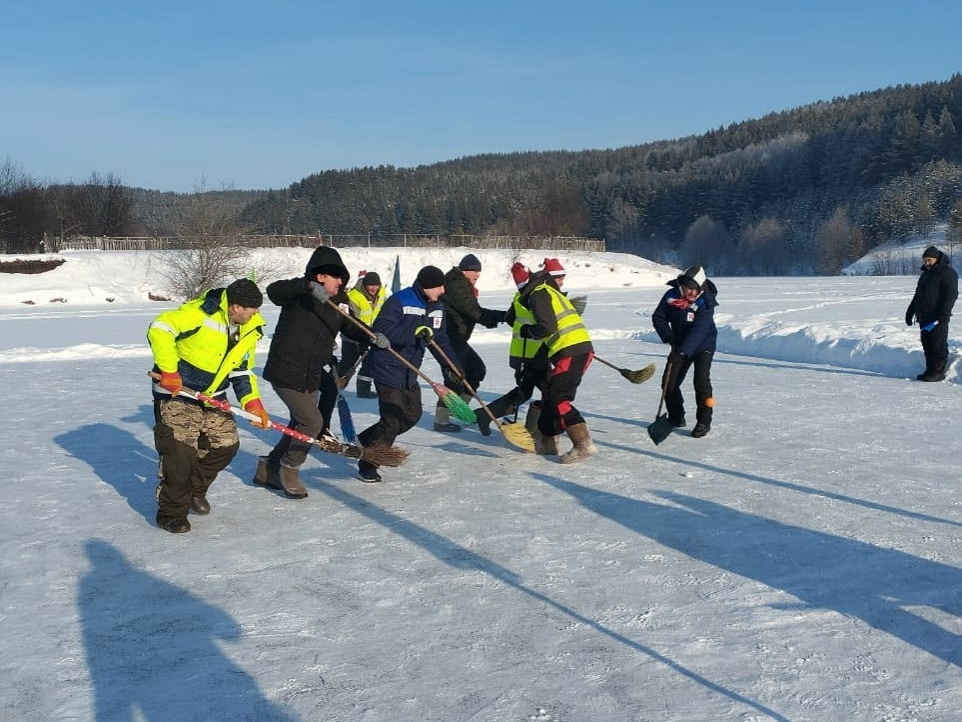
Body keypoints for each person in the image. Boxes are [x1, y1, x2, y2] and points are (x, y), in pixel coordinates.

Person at [257, 247, 385, 498]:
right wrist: (306, 287)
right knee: (312, 422)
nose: (340, 282)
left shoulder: (339, 303)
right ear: (320, 277)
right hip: (286, 371)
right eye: (336, 277)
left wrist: (372, 336)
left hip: (312, 372)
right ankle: (289, 469)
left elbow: (352, 326)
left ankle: (267, 468)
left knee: (299, 423)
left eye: (342, 277)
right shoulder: (299, 294)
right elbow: (274, 291)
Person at [148, 278, 269, 534]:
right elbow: (160, 328)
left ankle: (194, 490)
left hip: (213, 394)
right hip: (178, 392)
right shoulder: (201, 312)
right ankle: (171, 512)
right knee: (180, 453)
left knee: (225, 446)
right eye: (252, 309)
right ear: (236, 307)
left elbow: (241, 370)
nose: (257, 313)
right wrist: (169, 370)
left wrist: (253, 403)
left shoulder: (250, 327)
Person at [356, 265, 463, 482]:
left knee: (412, 415)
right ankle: (368, 463)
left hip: (410, 371)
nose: (442, 291)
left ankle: (364, 440)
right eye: (439, 287)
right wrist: (413, 332)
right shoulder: (400, 300)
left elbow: (440, 339)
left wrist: (452, 366)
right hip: (387, 366)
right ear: (427, 287)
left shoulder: (437, 307)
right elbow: (382, 329)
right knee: (392, 420)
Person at [519, 257, 596, 463]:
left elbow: (547, 327)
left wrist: (528, 331)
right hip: (572, 349)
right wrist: (536, 362)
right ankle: (548, 443)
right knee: (551, 395)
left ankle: (583, 444)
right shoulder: (548, 291)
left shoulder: (538, 294)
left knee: (559, 399)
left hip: (571, 350)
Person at [433, 253, 507, 432]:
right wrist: (504, 316)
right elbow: (473, 311)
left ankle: (458, 409)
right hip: (448, 339)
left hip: (458, 339)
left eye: (479, 271)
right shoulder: (456, 285)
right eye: (475, 271)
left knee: (476, 370)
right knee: (455, 378)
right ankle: (441, 420)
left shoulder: (462, 284)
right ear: (465, 271)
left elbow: (472, 312)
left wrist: (495, 318)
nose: (478, 275)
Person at [473, 261, 547, 436]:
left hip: (523, 353)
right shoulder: (533, 296)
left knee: (525, 391)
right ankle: (537, 432)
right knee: (549, 391)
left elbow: (510, 318)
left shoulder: (519, 296)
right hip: (531, 353)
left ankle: (485, 415)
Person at [652, 265, 719, 438]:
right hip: (680, 344)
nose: (692, 292)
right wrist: (669, 337)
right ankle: (676, 417)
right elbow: (658, 317)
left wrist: (683, 352)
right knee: (669, 384)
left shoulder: (705, 301)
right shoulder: (671, 296)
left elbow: (699, 330)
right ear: (681, 285)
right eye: (689, 288)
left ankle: (704, 422)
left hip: (704, 345)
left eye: (696, 289)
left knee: (701, 382)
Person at [905, 245, 958, 382]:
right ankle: (930, 370)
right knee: (927, 344)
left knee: (937, 344)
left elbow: (951, 294)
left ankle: (938, 372)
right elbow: (918, 295)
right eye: (925, 260)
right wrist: (910, 311)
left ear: (937, 259)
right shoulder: (925, 275)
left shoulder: (947, 273)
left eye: (929, 260)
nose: (927, 263)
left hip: (938, 317)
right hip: (924, 316)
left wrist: (945, 313)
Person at [338, 270, 387, 398]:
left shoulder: (382, 293)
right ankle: (332, 384)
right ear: (364, 285)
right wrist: (364, 333)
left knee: (370, 362)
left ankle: (363, 390)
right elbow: (351, 320)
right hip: (352, 336)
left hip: (371, 335)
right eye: (371, 285)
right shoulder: (354, 296)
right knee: (348, 363)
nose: (374, 288)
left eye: (376, 285)